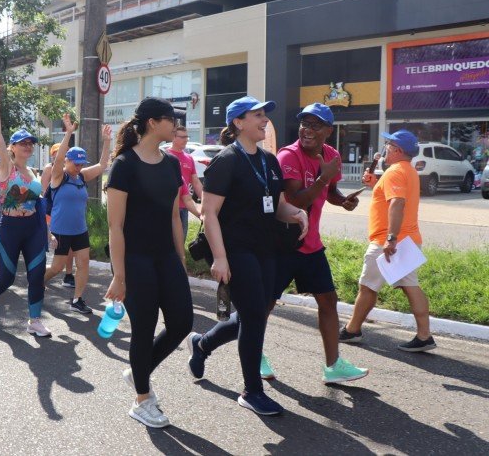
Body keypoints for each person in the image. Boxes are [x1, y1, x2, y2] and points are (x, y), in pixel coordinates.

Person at [186, 103, 367, 387]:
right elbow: (295, 200)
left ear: (328, 131)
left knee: (327, 300)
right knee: (258, 311)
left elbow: (327, 193)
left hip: (310, 244)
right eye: (304, 123)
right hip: (281, 245)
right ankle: (223, 349)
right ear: (238, 122)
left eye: (315, 124)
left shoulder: (330, 156)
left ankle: (333, 365)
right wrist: (323, 178)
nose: (307, 129)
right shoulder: (286, 156)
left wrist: (342, 199)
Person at [197, 96, 307, 416]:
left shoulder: (268, 161)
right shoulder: (226, 161)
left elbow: (276, 205)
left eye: (264, 115)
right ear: (238, 123)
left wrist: (297, 213)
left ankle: (201, 344)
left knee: (251, 314)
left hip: (266, 249)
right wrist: (219, 257)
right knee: (255, 317)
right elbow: (209, 214)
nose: (264, 120)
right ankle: (251, 391)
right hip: (236, 250)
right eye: (257, 115)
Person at [104, 97, 193, 429]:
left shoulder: (171, 164)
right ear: (153, 123)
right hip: (135, 259)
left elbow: (173, 215)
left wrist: (180, 259)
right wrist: (119, 275)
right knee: (143, 329)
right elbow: (115, 226)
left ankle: (137, 371)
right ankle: (142, 400)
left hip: (166, 257)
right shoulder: (124, 165)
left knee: (183, 322)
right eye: (172, 120)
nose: (177, 126)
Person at [340, 129, 437, 352]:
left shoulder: (394, 172)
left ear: (397, 150)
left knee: (367, 287)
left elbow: (396, 204)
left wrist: (391, 239)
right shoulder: (407, 171)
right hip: (408, 240)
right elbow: (392, 197)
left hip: (389, 242)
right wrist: (376, 182)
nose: (384, 150)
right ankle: (425, 336)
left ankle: (352, 330)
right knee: (411, 286)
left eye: (388, 146)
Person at [0, 80, 50, 337]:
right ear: (12, 147)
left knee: (36, 274)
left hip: (32, 227)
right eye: (22, 143)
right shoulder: (7, 166)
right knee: (7, 278)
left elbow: (38, 199)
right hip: (10, 227)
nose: (28, 146)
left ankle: (34, 321)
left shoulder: (32, 172)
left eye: (30, 143)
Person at [44, 114, 111, 314]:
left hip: (80, 230)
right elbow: (59, 159)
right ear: (67, 161)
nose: (79, 167)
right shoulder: (59, 176)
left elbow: (101, 165)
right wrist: (69, 133)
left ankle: (77, 300)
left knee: (83, 264)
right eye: (76, 163)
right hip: (61, 230)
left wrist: (107, 141)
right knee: (56, 268)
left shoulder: (81, 176)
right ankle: (37, 282)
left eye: (82, 163)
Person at [41, 142, 74, 287]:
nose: (61, 155)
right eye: (58, 152)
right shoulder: (50, 168)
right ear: (53, 155)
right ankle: (42, 274)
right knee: (52, 242)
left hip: (66, 212)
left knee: (69, 244)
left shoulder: (69, 171)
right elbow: (44, 191)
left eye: (65, 152)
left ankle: (68, 274)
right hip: (52, 211)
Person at [164, 125, 203, 235]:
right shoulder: (165, 156)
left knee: (181, 238)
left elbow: (195, 182)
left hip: (185, 207)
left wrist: (205, 202)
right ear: (173, 137)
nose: (186, 140)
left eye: (187, 137)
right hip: (169, 207)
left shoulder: (189, 158)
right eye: (182, 137)